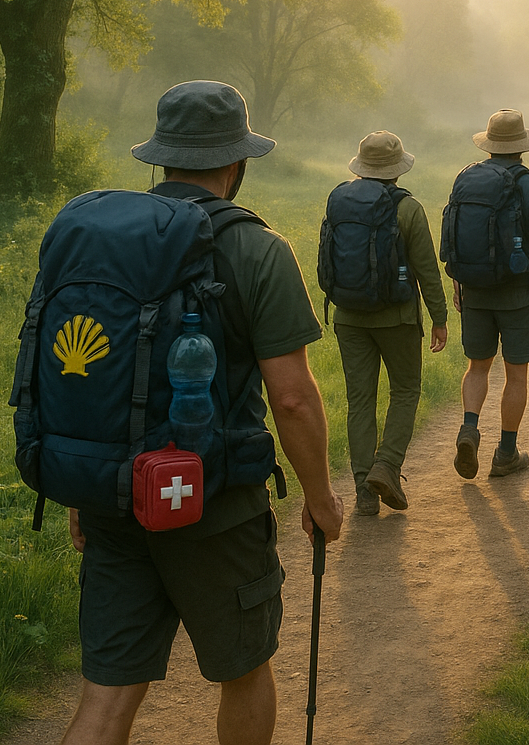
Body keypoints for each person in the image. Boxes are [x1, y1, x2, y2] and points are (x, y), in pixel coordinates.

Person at [60, 81, 344, 745]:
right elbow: (293, 397)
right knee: (243, 672)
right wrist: (320, 497)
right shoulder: (258, 248)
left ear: (161, 158)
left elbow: (86, 380)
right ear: (236, 162)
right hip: (214, 505)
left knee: (106, 697)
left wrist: (85, 484)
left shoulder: (104, 240)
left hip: (113, 499)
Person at [327, 131, 448, 515]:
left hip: (348, 317)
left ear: (361, 167)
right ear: (397, 169)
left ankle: (364, 489)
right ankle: (387, 466)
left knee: (360, 400)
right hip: (398, 318)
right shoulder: (408, 208)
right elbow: (427, 270)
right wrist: (440, 317)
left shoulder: (339, 200)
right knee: (406, 390)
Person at [450, 109, 529, 479]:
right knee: (516, 375)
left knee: (477, 366)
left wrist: (458, 283)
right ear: (522, 147)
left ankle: (469, 428)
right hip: (517, 295)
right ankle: (506, 453)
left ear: (489, 144)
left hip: (475, 290)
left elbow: (457, 239)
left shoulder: (466, 179)